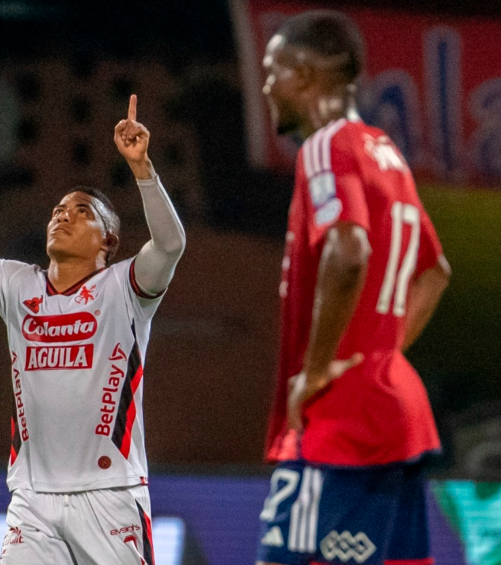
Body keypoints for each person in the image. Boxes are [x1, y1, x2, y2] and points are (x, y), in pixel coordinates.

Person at [0, 95, 185, 565]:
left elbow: (170, 245)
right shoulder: (17, 284)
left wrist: (143, 169)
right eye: (59, 210)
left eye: (81, 210)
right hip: (33, 501)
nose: (62, 215)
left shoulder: (124, 287)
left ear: (108, 240)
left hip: (110, 495)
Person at [256, 10, 451, 565]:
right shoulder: (385, 154)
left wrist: (318, 369)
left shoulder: (326, 147)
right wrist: (380, 355)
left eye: (274, 71)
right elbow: (435, 273)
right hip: (395, 416)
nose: (267, 85)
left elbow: (348, 252)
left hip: (339, 424)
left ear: (307, 75)